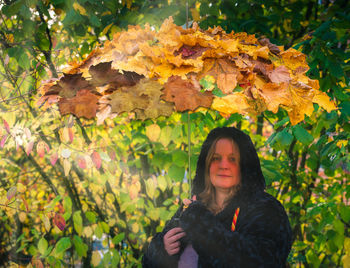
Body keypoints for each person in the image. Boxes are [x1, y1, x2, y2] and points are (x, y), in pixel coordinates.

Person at [142, 126, 292, 267]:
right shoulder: (193, 205)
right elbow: (149, 261)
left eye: (232, 159)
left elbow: (261, 262)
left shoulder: (266, 209)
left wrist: (202, 225)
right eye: (216, 158)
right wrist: (163, 249)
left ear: (245, 165)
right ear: (206, 164)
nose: (223, 165)